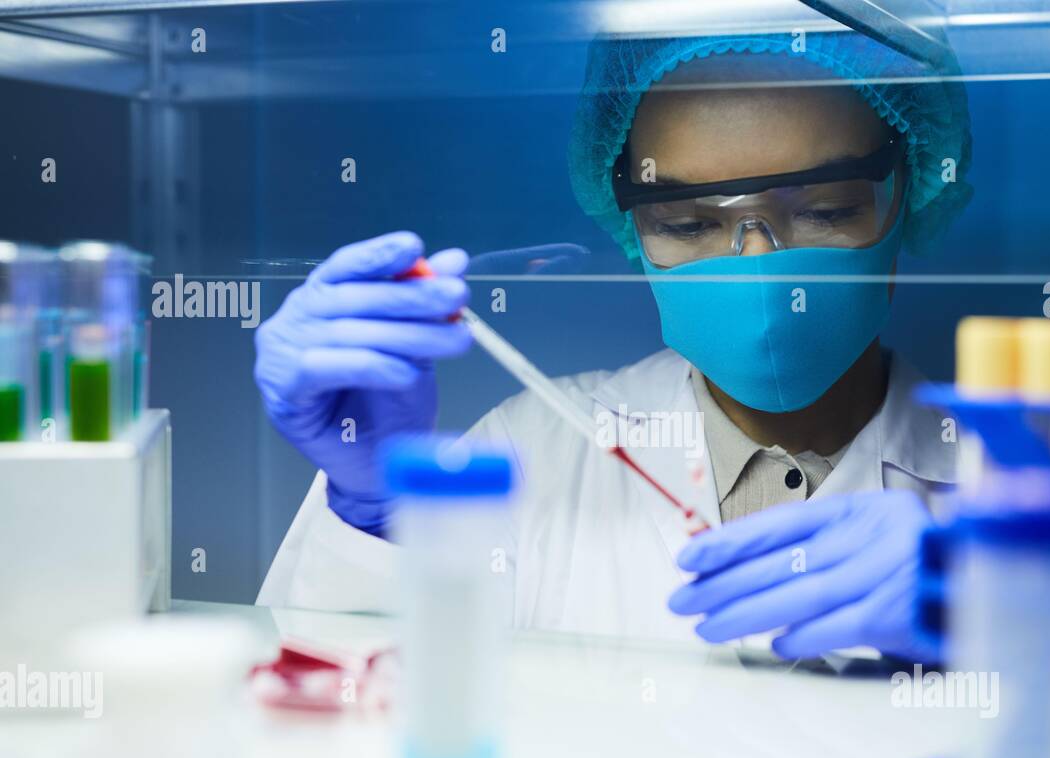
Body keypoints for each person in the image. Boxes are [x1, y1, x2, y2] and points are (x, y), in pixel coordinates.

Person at [255, 28, 972, 664]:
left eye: (825, 209)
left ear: (909, 189)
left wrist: (986, 623)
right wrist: (375, 514)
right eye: (690, 224)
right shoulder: (531, 450)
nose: (755, 265)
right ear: (632, 230)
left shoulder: (1006, 478)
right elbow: (333, 731)